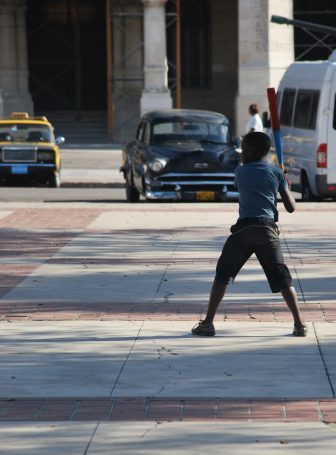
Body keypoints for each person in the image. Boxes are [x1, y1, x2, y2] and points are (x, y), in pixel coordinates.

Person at [191, 132, 307, 337]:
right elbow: (291, 207)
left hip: (244, 230)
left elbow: (250, 186)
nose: (241, 153)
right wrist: (284, 181)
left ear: (253, 150)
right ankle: (299, 324)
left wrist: (277, 176)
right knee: (282, 277)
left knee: (223, 275)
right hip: (268, 230)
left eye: (244, 148)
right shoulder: (276, 172)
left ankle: (208, 323)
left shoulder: (241, 172)